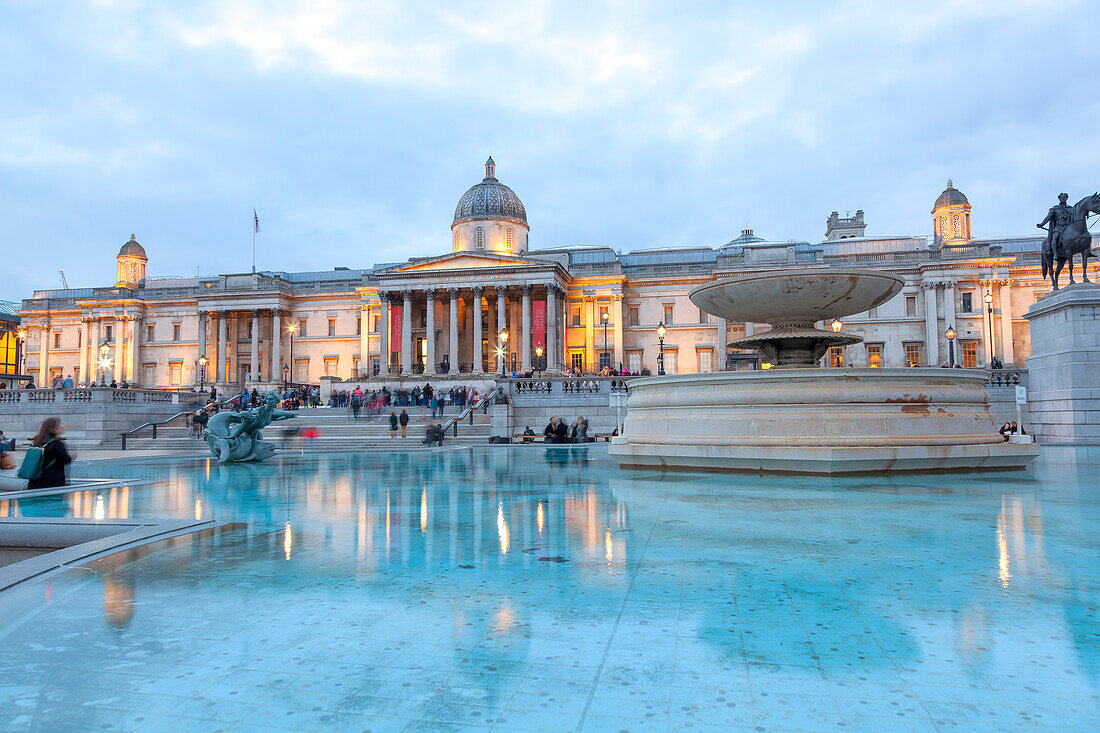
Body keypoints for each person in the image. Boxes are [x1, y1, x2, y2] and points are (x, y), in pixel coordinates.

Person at [27, 417, 72, 490]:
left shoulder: (37, 442)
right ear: (54, 427)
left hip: (34, 483)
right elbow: (66, 460)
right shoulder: (57, 444)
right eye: (61, 424)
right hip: (52, 483)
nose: (63, 426)